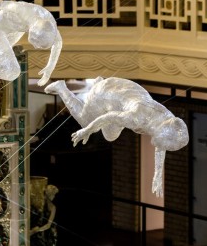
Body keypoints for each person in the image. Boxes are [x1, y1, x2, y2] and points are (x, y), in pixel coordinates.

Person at [44, 77, 189, 197]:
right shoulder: (137, 118)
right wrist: (87, 130)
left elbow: (160, 144)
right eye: (164, 143)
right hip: (106, 94)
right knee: (85, 121)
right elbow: (109, 117)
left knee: (110, 135)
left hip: (123, 95)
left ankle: (98, 82)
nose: (161, 146)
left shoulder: (167, 119)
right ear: (163, 133)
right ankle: (61, 87)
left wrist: (157, 175)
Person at [0, 0, 62, 90]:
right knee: (12, 71)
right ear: (33, 32)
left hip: (14, 31)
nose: (36, 47)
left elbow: (58, 43)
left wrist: (49, 68)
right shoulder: (23, 11)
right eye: (37, 43)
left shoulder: (50, 26)